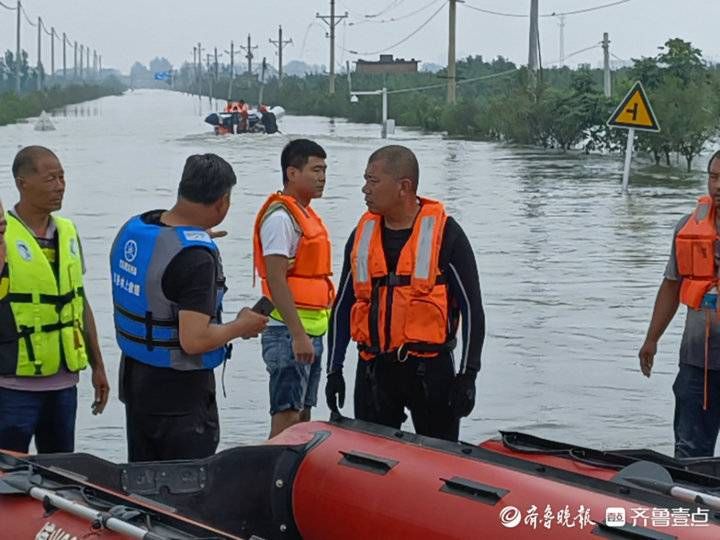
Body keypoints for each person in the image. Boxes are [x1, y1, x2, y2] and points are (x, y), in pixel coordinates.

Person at [112, 154, 268, 462]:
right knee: (186, 491)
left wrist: (196, 239)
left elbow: (160, 265)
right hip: (179, 398)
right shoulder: (196, 259)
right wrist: (241, 326)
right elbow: (193, 341)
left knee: (142, 481)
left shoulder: (138, 228)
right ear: (222, 202)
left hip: (137, 382)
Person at [325, 145, 485, 442]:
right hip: (374, 370)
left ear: (404, 187)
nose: (365, 189)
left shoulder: (447, 234)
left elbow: (472, 309)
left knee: (439, 461)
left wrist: (468, 375)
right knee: (370, 462)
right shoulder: (362, 235)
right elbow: (343, 306)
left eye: (373, 182)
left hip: (430, 372)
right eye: (365, 180)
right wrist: (333, 371)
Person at [0, 146, 109, 454]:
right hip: (12, 388)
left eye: (62, 177)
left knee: (61, 477)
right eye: (51, 179)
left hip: (63, 387)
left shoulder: (68, 232)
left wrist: (98, 366)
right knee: (7, 480)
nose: (60, 186)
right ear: (23, 183)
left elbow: (79, 301)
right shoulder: (3, 237)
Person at [639, 150, 720, 458]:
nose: (718, 186)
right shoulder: (688, 228)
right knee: (690, 456)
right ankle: (690, 506)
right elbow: (672, 286)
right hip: (697, 362)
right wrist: (651, 339)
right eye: (713, 177)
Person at [253, 139, 335, 437]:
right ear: (292, 173)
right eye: (315, 169)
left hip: (309, 332)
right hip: (288, 333)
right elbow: (276, 279)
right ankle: (269, 480)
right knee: (286, 420)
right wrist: (298, 335)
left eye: (325, 170)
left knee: (303, 418)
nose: (322, 177)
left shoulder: (306, 215)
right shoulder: (280, 218)